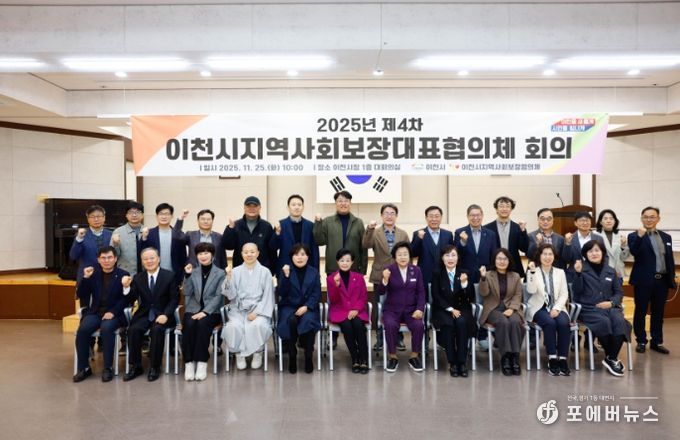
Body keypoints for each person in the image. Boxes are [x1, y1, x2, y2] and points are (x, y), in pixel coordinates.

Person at [572, 240, 632, 376]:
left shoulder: (610, 270)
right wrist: (578, 273)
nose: (594, 253)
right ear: (585, 254)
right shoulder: (581, 269)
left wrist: (611, 303)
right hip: (589, 309)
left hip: (610, 307)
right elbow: (577, 290)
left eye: (597, 250)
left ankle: (611, 358)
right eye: (590, 251)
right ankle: (613, 359)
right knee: (603, 322)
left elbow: (619, 292)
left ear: (603, 252)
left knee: (620, 321)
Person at [122, 247, 179, 382]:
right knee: (133, 330)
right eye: (145, 259)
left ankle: (154, 367)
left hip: (163, 314)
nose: (149, 261)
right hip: (144, 314)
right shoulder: (138, 278)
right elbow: (131, 298)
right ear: (142, 262)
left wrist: (166, 314)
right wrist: (126, 287)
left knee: (157, 330)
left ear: (158, 259)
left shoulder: (169, 276)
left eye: (152, 258)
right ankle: (136, 366)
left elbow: (174, 299)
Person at [73, 246, 129, 383]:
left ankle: (107, 368)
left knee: (107, 329)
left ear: (115, 259)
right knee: (83, 330)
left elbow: (126, 299)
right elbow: (81, 294)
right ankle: (84, 368)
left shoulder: (123, 274)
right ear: (98, 260)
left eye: (110, 257)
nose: (106, 261)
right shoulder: (93, 274)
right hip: (96, 312)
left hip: (115, 313)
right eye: (103, 258)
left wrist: (113, 312)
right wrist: (85, 278)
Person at [628, 206, 677, 355]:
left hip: (661, 281)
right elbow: (634, 252)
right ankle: (641, 341)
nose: (649, 219)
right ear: (641, 218)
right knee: (640, 311)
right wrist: (640, 236)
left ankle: (657, 341)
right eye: (646, 217)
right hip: (643, 281)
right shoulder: (634, 235)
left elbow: (669, 258)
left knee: (658, 313)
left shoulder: (666, 237)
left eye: (652, 217)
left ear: (658, 219)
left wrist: (671, 277)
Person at [362, 203, 410, 351]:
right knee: (379, 307)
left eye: (392, 213)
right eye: (386, 213)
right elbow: (365, 244)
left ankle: (398, 338)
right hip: (380, 275)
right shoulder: (375, 232)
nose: (389, 216)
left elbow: (407, 254)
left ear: (396, 216)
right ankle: (379, 338)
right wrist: (369, 229)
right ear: (381, 216)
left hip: (399, 275)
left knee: (399, 305)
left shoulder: (403, 234)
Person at [222, 243, 275, 370]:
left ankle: (257, 352)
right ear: (241, 254)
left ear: (258, 253)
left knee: (258, 325)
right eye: (246, 252)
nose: (249, 254)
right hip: (238, 310)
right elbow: (230, 295)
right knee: (234, 326)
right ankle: (239, 354)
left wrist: (257, 312)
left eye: (252, 252)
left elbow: (268, 296)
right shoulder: (235, 271)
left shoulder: (265, 272)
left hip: (259, 310)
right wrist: (228, 278)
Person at [378, 241, 426, 373]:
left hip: (411, 310)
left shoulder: (416, 270)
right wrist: (385, 280)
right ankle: (393, 357)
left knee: (419, 325)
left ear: (410, 256)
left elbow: (421, 292)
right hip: (392, 310)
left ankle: (414, 356)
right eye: (399, 254)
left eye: (405, 254)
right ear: (395, 257)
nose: (403, 257)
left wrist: (419, 309)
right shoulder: (388, 270)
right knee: (390, 325)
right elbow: (381, 292)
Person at [181, 242, 225, 381]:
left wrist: (205, 312)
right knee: (188, 325)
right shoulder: (193, 272)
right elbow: (187, 292)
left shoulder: (220, 273)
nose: (203, 256)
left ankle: (201, 362)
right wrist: (187, 275)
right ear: (196, 256)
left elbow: (219, 296)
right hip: (193, 308)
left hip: (212, 311)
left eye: (206, 253)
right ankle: (188, 363)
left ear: (212, 255)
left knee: (202, 324)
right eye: (200, 253)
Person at [430, 245, 476, 377]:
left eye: (453, 255)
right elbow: (436, 296)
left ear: (458, 258)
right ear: (442, 258)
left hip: (462, 308)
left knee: (462, 323)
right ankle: (452, 362)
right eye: (447, 255)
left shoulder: (464, 272)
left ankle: (462, 362)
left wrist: (464, 284)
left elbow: (470, 296)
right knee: (448, 324)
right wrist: (450, 309)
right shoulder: (437, 273)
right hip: (443, 309)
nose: (450, 258)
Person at [526, 243, 571, 376]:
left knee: (563, 323)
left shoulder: (560, 272)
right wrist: (532, 272)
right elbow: (531, 290)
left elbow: (564, 294)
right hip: (539, 307)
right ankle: (552, 358)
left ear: (554, 256)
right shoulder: (533, 271)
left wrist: (556, 308)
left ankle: (562, 359)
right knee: (550, 323)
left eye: (550, 254)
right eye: (544, 254)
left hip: (558, 306)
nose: (547, 257)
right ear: (539, 256)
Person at [478, 248, 524, 376]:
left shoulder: (515, 276)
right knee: (503, 322)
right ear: (494, 260)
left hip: (511, 308)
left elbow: (518, 295)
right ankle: (505, 357)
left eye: (504, 259)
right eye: (499, 258)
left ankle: (515, 357)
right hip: (493, 309)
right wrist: (483, 278)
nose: (502, 261)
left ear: (509, 261)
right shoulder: (488, 275)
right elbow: (484, 293)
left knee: (515, 322)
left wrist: (512, 309)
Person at [277, 244, 322, 374]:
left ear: (308, 257)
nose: (299, 257)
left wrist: (307, 306)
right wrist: (286, 277)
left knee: (308, 320)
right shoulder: (286, 270)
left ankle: (308, 356)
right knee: (291, 320)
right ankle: (292, 355)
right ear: (292, 257)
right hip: (289, 306)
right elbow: (282, 293)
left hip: (308, 307)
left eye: (303, 254)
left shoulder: (314, 272)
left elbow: (316, 293)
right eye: (296, 254)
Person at [327, 249, 370, 374]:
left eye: (347, 260)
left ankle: (364, 358)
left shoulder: (359, 277)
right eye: (342, 260)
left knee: (358, 325)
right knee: (347, 326)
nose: (344, 263)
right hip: (340, 311)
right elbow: (333, 300)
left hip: (357, 310)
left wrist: (356, 309)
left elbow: (363, 297)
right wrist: (336, 285)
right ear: (337, 262)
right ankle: (355, 358)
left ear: (352, 262)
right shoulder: (331, 278)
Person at [313, 189, 367, 276]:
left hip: (353, 268)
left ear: (350, 203)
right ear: (335, 203)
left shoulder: (358, 222)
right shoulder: (327, 222)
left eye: (346, 201)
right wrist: (318, 223)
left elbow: (363, 248)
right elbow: (319, 241)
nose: (343, 203)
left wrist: (363, 270)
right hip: (333, 267)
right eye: (340, 201)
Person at [221, 196, 276, 273]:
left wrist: (272, 271)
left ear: (260, 208)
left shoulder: (266, 226)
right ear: (244, 208)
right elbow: (227, 246)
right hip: (240, 269)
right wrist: (230, 228)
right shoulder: (236, 225)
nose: (251, 209)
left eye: (255, 206)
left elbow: (272, 250)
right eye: (249, 206)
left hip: (262, 270)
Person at [139, 203, 187, 285]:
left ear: (172, 216)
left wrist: (182, 277)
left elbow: (183, 257)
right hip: (153, 275)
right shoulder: (149, 233)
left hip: (174, 276)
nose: (164, 217)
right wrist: (144, 238)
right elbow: (141, 252)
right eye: (161, 214)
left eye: (167, 214)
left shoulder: (178, 234)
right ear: (156, 216)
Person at [270, 194, 319, 273]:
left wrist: (316, 271)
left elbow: (314, 250)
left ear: (303, 207)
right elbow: (273, 247)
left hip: (306, 268)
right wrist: (277, 233)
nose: (297, 207)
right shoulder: (281, 224)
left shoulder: (310, 225)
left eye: (299, 205)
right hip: (286, 267)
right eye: (293, 205)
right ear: (288, 207)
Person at [483, 196, 529, 279]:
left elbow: (524, 248)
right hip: (493, 267)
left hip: (513, 266)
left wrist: (523, 231)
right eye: (501, 206)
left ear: (511, 209)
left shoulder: (517, 227)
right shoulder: (487, 228)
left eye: (507, 206)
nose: (504, 209)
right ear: (496, 209)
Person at [411, 205, 454, 285]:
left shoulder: (448, 235)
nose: (434, 219)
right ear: (426, 218)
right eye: (431, 216)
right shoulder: (418, 234)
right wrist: (419, 239)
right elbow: (413, 253)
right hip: (425, 276)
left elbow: (452, 255)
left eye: (437, 216)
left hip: (444, 275)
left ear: (441, 217)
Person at [70, 204, 113, 285]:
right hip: (87, 276)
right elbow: (73, 256)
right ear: (88, 219)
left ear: (104, 218)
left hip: (108, 277)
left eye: (99, 216)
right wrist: (79, 239)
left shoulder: (111, 235)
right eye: (92, 217)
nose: (96, 219)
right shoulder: (81, 235)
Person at [562, 211, 605, 281]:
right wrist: (568, 243)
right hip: (574, 276)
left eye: (587, 220)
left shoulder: (598, 238)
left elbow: (604, 256)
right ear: (575, 223)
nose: (585, 223)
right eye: (582, 220)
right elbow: (566, 259)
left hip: (594, 276)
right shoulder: (569, 238)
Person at [110, 201, 145, 276]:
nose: (134, 215)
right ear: (126, 215)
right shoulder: (118, 232)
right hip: (125, 274)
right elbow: (112, 257)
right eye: (131, 212)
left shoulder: (148, 231)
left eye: (138, 212)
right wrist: (116, 244)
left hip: (145, 275)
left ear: (142, 215)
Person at [594, 209, 630, 280]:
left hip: (618, 271)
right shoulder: (595, 235)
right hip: (602, 271)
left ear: (615, 221)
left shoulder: (620, 236)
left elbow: (623, 258)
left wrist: (623, 246)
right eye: (605, 218)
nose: (608, 221)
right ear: (600, 222)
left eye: (611, 218)